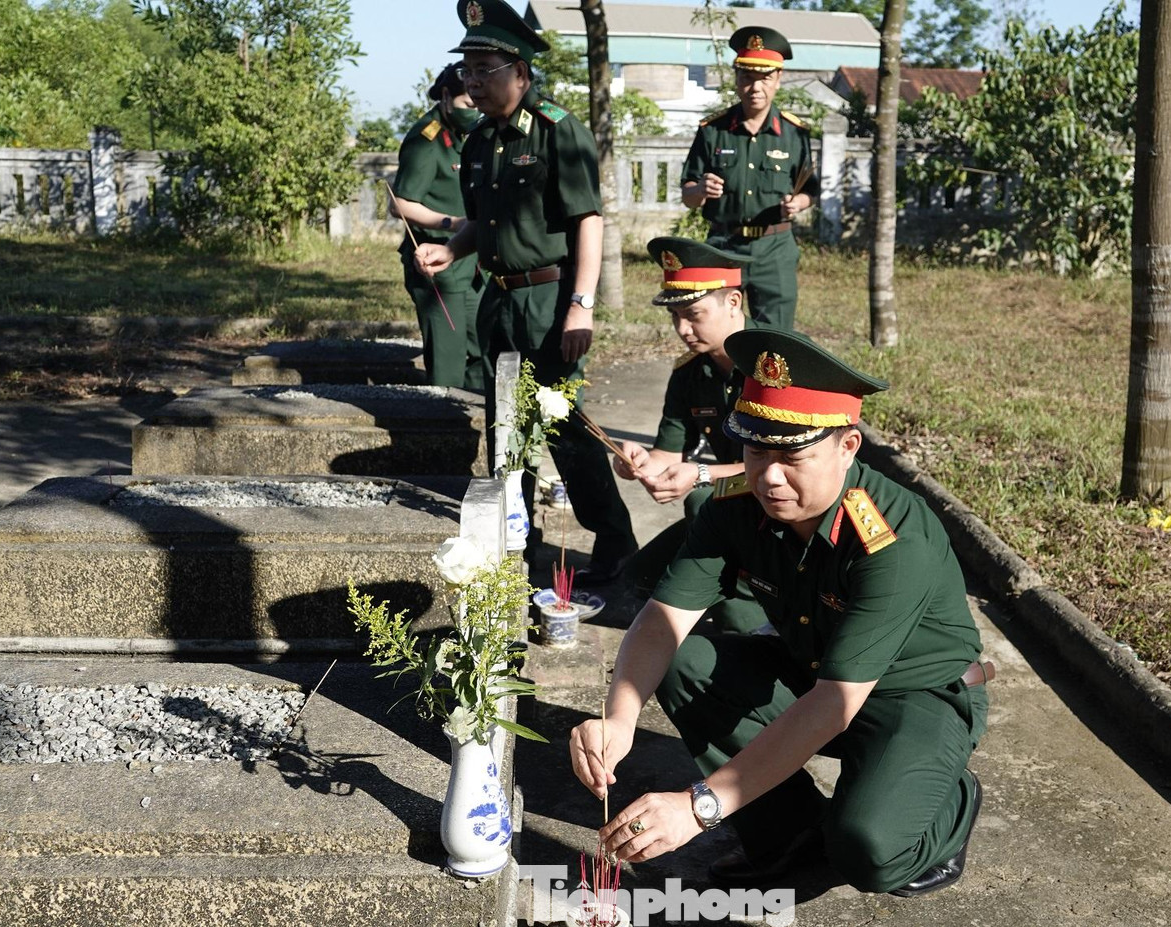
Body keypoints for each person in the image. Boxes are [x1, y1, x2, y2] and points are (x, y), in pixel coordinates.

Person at [569, 328, 992, 896]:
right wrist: (619, 718)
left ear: (847, 447)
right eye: (756, 450)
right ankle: (792, 841)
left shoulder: (890, 541)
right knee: (681, 661)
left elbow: (835, 705)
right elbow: (662, 617)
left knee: (870, 853)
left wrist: (698, 807)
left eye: (793, 455)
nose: (769, 476)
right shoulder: (737, 506)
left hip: (913, 694)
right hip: (815, 671)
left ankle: (949, 798)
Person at [414, 0, 637, 582]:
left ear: (520, 70)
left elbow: (588, 219)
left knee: (561, 424)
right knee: (504, 428)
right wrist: (451, 249)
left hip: (550, 298)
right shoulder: (479, 141)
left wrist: (581, 308)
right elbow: (481, 222)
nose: (472, 81)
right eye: (467, 70)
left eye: (484, 68)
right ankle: (519, 545)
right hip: (500, 302)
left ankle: (616, 545)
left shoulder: (559, 132)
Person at [611, 235, 763, 633]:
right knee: (638, 580)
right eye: (675, 316)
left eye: (694, 314)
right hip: (736, 500)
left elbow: (784, 467)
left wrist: (701, 475)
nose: (683, 328)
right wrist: (638, 460)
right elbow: (667, 454)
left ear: (734, 302)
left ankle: (757, 618)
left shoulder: (776, 365)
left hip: (787, 505)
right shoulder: (690, 373)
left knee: (701, 501)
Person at [680, 26, 819, 333]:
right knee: (716, 334)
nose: (755, 87)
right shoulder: (712, 130)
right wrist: (701, 189)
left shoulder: (795, 134)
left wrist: (798, 203)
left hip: (775, 250)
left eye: (764, 78)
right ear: (736, 79)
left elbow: (810, 190)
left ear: (778, 80)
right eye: (747, 77)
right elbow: (687, 193)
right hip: (723, 248)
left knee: (775, 341)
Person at [390, 65, 485, 391]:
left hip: (473, 265)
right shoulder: (427, 139)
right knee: (448, 359)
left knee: (483, 350)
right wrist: (454, 223)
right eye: (467, 104)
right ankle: (445, 432)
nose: (474, 110)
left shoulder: (471, 135)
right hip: (435, 265)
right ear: (445, 97)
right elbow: (399, 204)